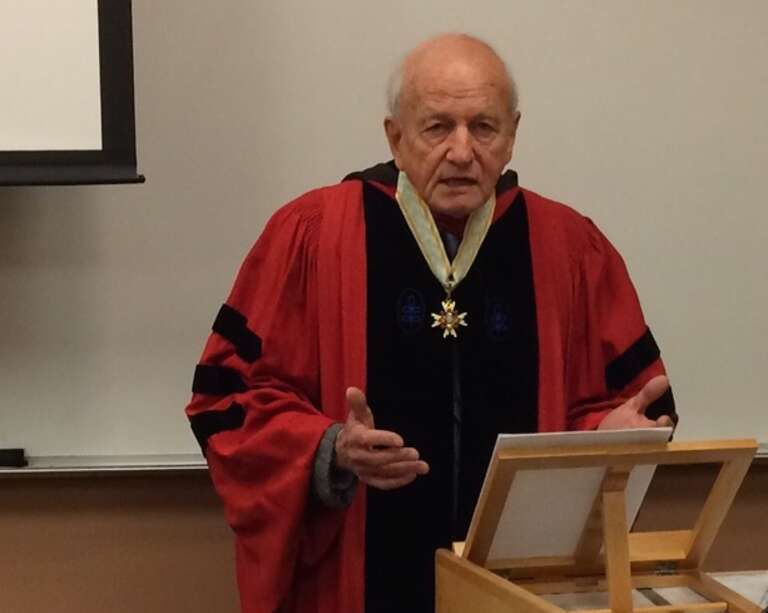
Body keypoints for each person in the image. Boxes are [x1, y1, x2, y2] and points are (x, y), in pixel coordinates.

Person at [185, 33, 676, 613]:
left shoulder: (569, 249)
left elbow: (625, 402)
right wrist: (330, 448)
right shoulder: (313, 236)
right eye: (438, 127)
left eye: (484, 127)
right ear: (395, 136)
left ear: (513, 132)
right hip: (355, 580)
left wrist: (604, 441)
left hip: (520, 590)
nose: (463, 151)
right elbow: (227, 401)